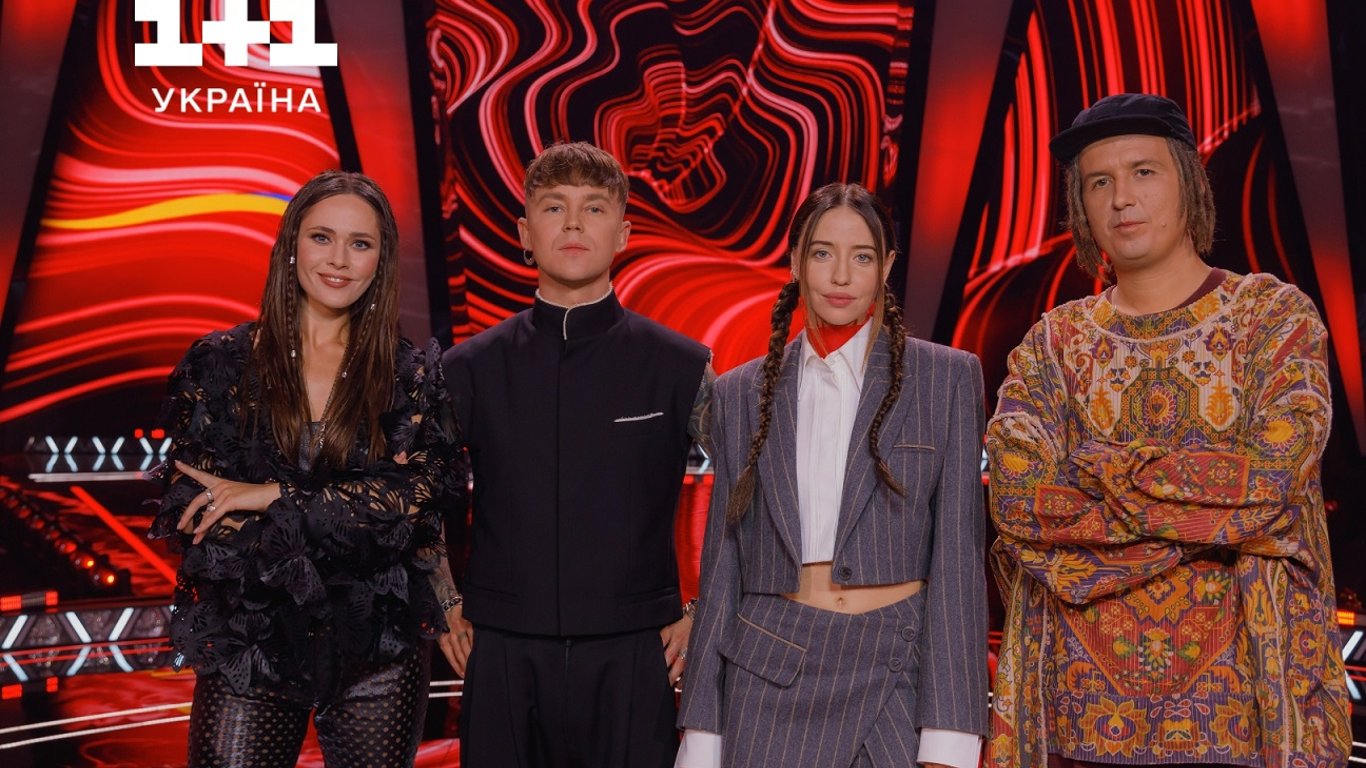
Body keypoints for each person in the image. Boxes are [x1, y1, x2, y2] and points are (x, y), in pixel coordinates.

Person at [985, 93, 1351, 767]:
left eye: (1144, 172)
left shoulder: (1272, 319)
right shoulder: (1053, 344)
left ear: (1188, 182)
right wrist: (1208, 520)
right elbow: (1016, 499)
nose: (1122, 198)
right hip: (1076, 723)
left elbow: (1271, 480)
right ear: (1081, 206)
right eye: (1099, 182)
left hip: (1244, 719)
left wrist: (1103, 474)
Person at [151, 170, 459, 767]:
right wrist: (359, 507)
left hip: (378, 650)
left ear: (381, 260)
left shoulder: (410, 376)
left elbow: (417, 503)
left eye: (360, 243)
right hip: (252, 644)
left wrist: (270, 496)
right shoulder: (221, 365)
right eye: (322, 237)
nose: (338, 259)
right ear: (291, 243)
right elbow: (201, 515)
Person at [676, 182, 990, 768]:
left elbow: (958, 564)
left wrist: (950, 736)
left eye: (862, 256)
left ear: (887, 266)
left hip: (896, 676)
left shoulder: (945, 378)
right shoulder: (739, 393)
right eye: (822, 253)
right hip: (769, 676)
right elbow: (723, 568)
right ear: (795, 261)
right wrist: (702, 735)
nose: (841, 275)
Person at [438, 141, 714, 767]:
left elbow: (748, 495)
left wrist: (702, 611)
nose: (572, 224)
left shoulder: (680, 365)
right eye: (553, 207)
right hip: (502, 648)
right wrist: (447, 603)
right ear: (524, 233)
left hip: (634, 650)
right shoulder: (467, 369)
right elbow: (414, 495)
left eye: (593, 208)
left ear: (623, 232)